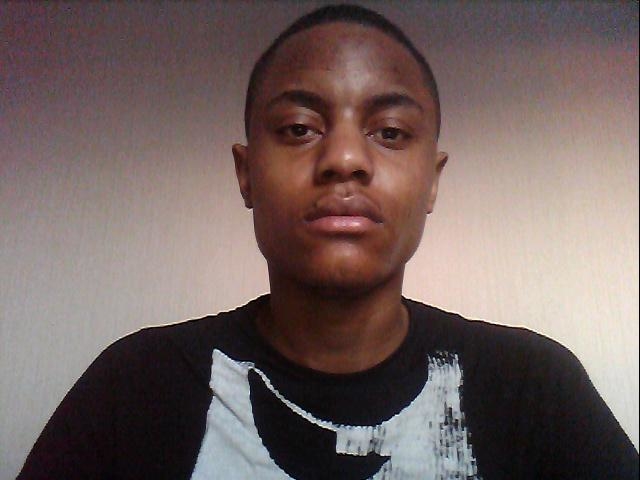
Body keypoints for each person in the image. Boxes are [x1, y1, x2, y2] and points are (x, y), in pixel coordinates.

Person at [18, 4, 638, 479]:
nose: (344, 158)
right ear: (246, 173)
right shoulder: (139, 389)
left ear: (432, 181)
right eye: (299, 128)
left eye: (390, 132)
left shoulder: (530, 390)